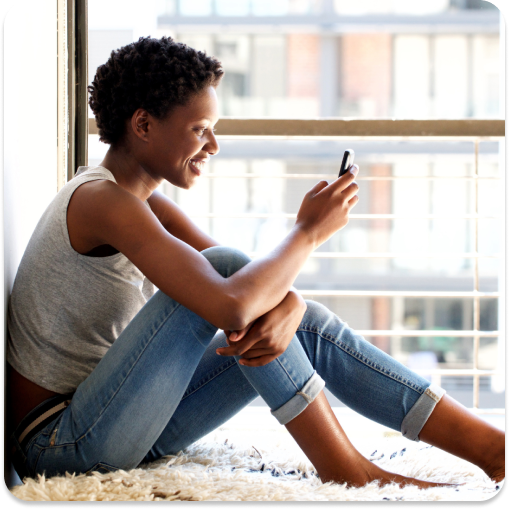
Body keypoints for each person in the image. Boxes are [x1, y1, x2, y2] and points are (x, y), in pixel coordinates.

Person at [7, 36, 504, 489]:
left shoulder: (142, 204)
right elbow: (231, 296)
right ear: (142, 125)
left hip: (123, 421)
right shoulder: (101, 200)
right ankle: (345, 469)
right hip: (62, 444)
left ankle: (492, 449)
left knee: (290, 317)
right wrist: (307, 233)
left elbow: (247, 290)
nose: (213, 146)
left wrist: (294, 304)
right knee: (228, 275)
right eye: (200, 129)